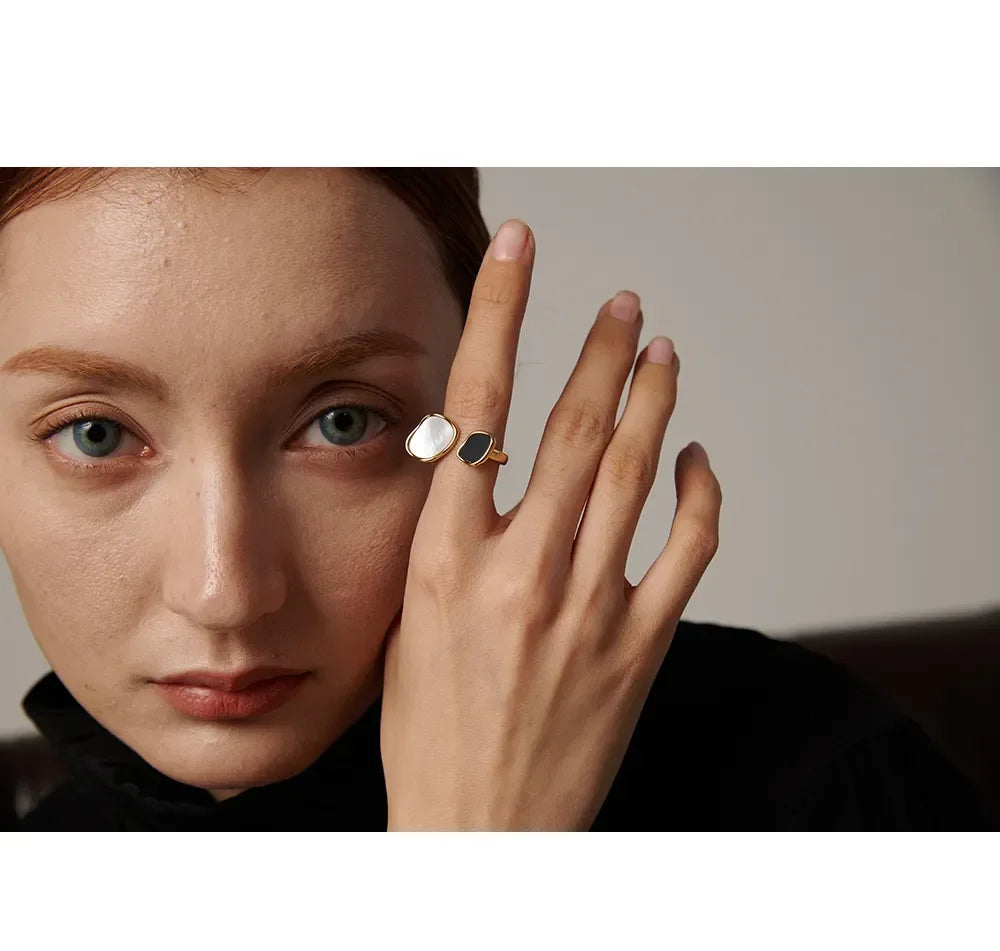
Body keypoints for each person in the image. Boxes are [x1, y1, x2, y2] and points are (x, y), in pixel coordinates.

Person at [0, 167, 991, 831]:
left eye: (344, 422)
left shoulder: (816, 784)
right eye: (95, 434)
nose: (225, 591)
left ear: (476, 398)